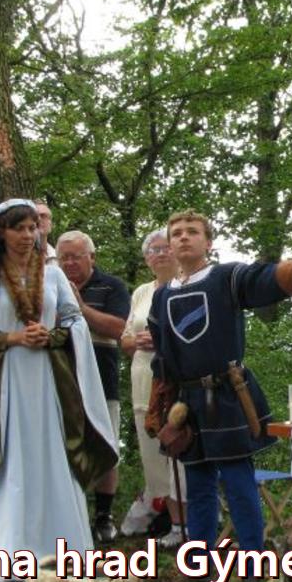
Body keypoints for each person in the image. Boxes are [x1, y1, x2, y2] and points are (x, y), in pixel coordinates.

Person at [0, 200, 117, 582]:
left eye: (32, 227)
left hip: (49, 383)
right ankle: (10, 550)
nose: (27, 235)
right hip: (7, 384)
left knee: (54, 457)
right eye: (18, 228)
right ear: (1, 233)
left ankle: (64, 549)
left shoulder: (52, 276)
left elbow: (74, 321)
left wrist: (51, 336)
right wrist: (13, 337)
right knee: (13, 460)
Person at [147, 210, 292, 555]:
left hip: (228, 394)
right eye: (177, 233)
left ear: (208, 243)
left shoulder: (227, 277)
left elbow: (264, 279)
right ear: (170, 245)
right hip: (187, 401)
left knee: (238, 482)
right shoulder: (162, 296)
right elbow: (163, 356)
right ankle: (197, 562)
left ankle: (252, 561)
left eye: (192, 231)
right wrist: (161, 403)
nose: (183, 236)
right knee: (197, 486)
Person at [57, 229, 131, 545]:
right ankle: (67, 513)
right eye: (63, 258)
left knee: (105, 444)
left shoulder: (112, 286)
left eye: (76, 257)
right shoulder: (49, 285)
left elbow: (119, 328)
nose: (69, 263)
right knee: (61, 446)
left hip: (101, 379)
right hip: (59, 378)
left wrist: (80, 308)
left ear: (92, 257)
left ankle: (103, 516)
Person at [120, 227, 186, 546]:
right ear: (146, 259)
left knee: (177, 451)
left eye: (165, 248)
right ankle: (162, 513)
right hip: (142, 380)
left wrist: (161, 341)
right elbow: (125, 339)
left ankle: (183, 523)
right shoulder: (141, 293)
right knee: (151, 454)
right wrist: (136, 341)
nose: (160, 254)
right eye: (153, 250)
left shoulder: (185, 287)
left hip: (175, 381)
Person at [35, 201, 58, 265]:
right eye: (34, 216)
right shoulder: (15, 256)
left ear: (51, 224)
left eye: (43, 216)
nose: (39, 219)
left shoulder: (59, 258)